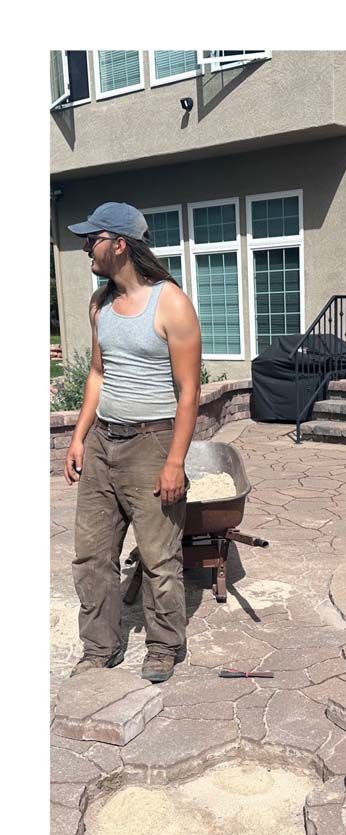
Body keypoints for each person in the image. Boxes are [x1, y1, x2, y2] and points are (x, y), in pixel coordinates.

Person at [63, 202, 202, 683]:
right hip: (103, 441)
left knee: (159, 556)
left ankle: (165, 645)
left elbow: (189, 393)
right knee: (92, 554)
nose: (85, 250)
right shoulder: (99, 304)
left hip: (153, 443)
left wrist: (175, 462)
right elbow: (98, 373)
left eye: (91, 240)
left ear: (119, 244)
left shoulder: (171, 303)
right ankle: (100, 646)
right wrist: (80, 438)